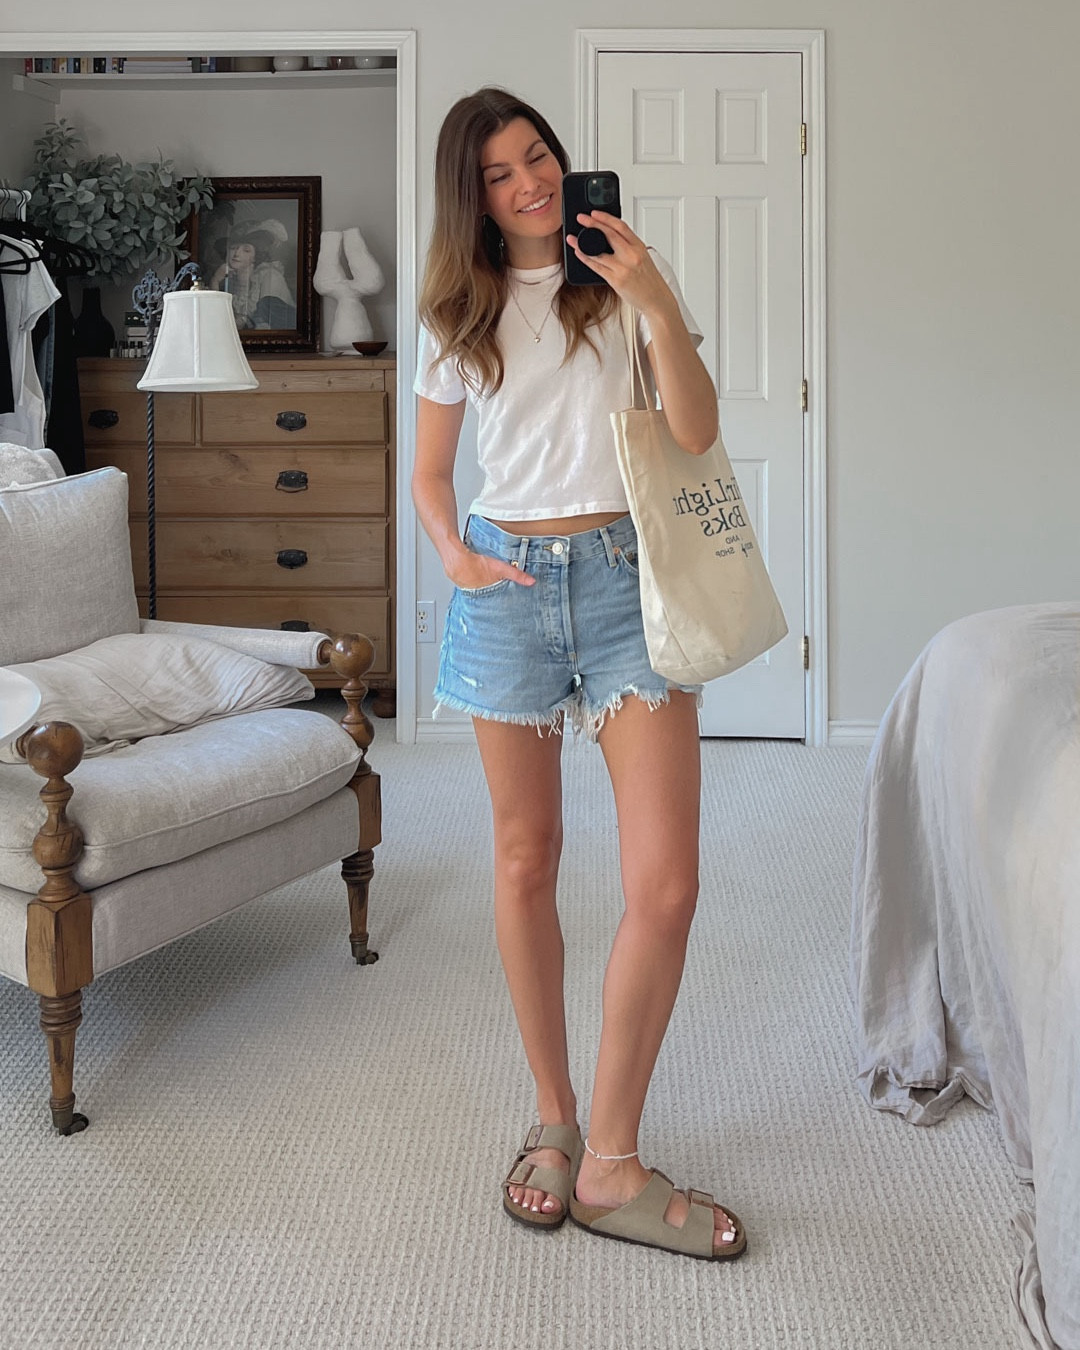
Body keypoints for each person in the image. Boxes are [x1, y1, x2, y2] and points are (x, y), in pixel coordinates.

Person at [412, 87, 746, 1262]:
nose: (529, 183)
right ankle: (554, 1118)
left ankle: (610, 1160)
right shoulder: (456, 310)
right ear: (476, 195)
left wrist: (652, 293)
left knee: (665, 883)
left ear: (566, 163)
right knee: (525, 856)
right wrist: (458, 555)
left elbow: (696, 432)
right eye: (500, 172)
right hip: (508, 589)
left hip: (622, 582)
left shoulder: (623, 283)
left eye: (538, 157)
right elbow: (433, 473)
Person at [208, 219, 296, 330]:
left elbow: (267, 325)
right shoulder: (229, 281)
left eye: (246, 250)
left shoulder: (270, 276)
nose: (236, 254)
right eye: (233, 248)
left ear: (256, 256)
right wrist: (215, 281)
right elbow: (217, 321)